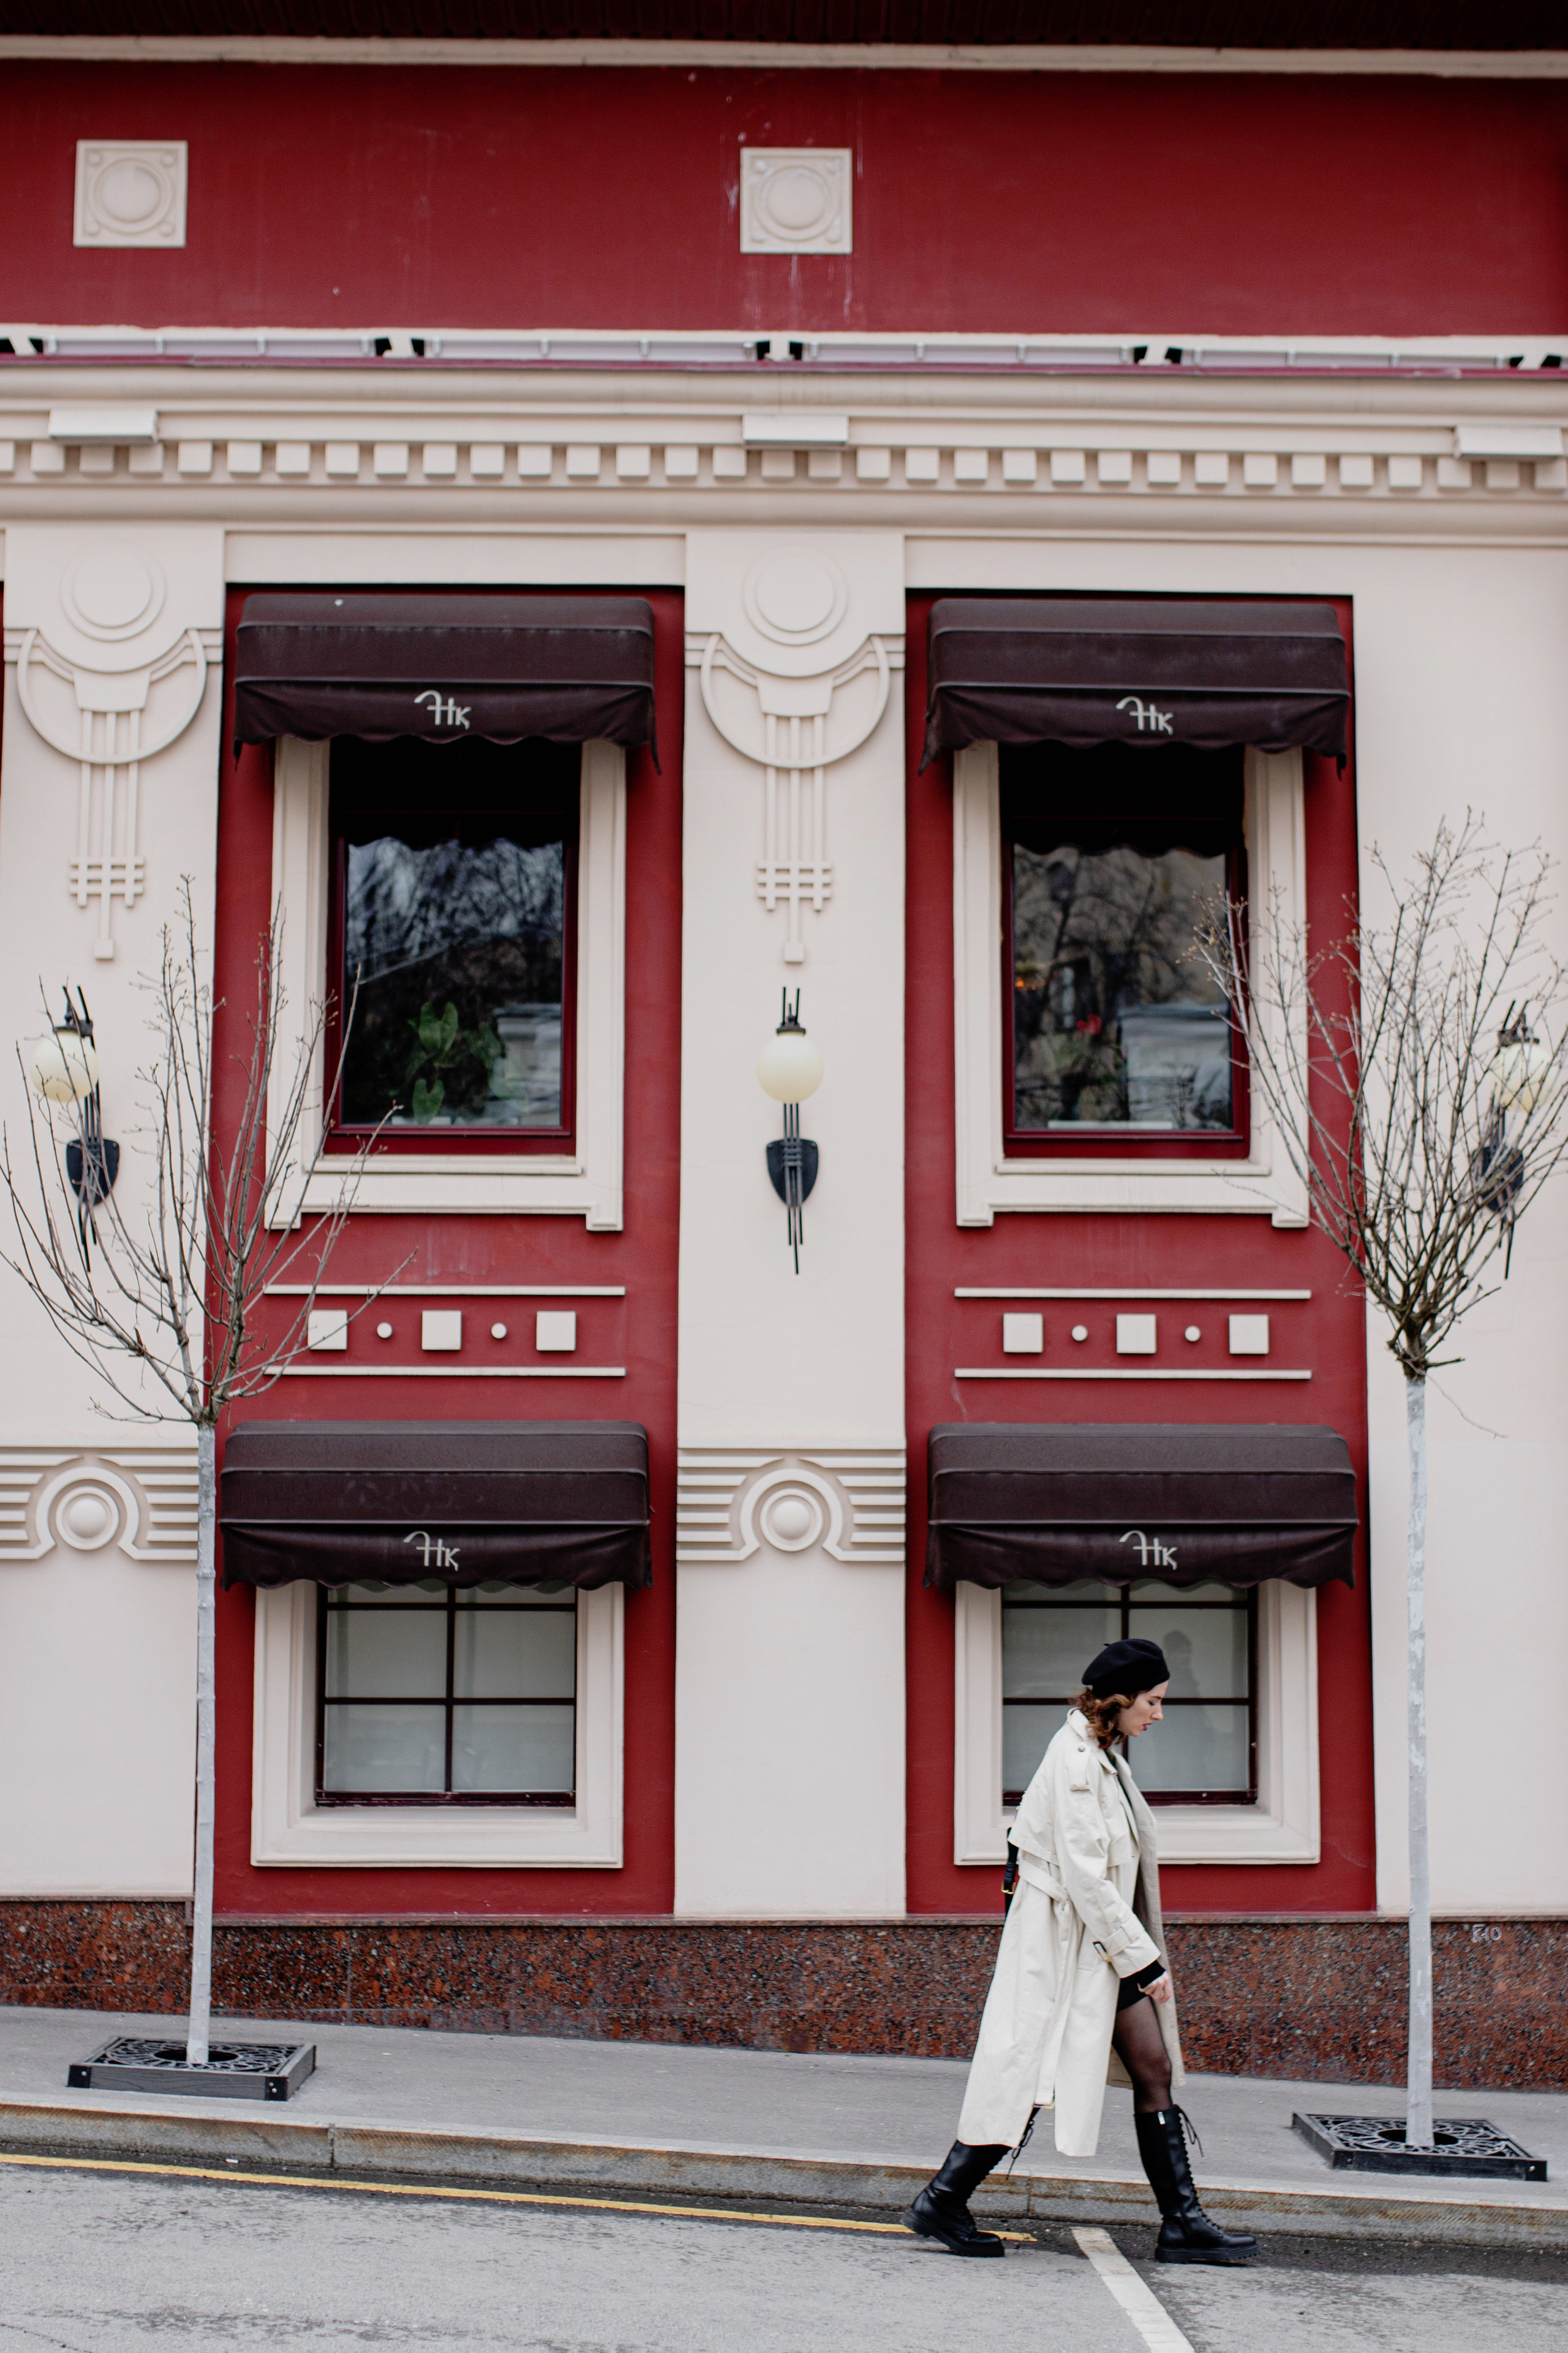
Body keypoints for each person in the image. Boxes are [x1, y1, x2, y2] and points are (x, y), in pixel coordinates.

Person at [905, 1636, 1256, 2266]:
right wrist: (1144, 1961)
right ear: (1118, 1700)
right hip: (1068, 1951)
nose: (1159, 1713)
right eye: (1152, 1700)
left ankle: (1182, 2222)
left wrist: (1129, 1954)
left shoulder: (1100, 1754)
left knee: (1153, 2068)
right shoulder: (1073, 1761)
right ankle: (943, 2198)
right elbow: (1087, 1879)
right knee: (1025, 2075)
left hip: (1095, 1951)